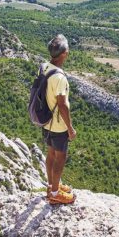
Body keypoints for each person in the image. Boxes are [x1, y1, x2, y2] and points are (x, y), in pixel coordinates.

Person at [42, 34, 76, 205]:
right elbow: (63, 105)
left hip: (46, 120)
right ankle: (55, 193)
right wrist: (70, 127)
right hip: (57, 125)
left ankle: (51, 186)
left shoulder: (44, 67)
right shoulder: (60, 77)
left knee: (50, 154)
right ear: (64, 54)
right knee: (60, 157)